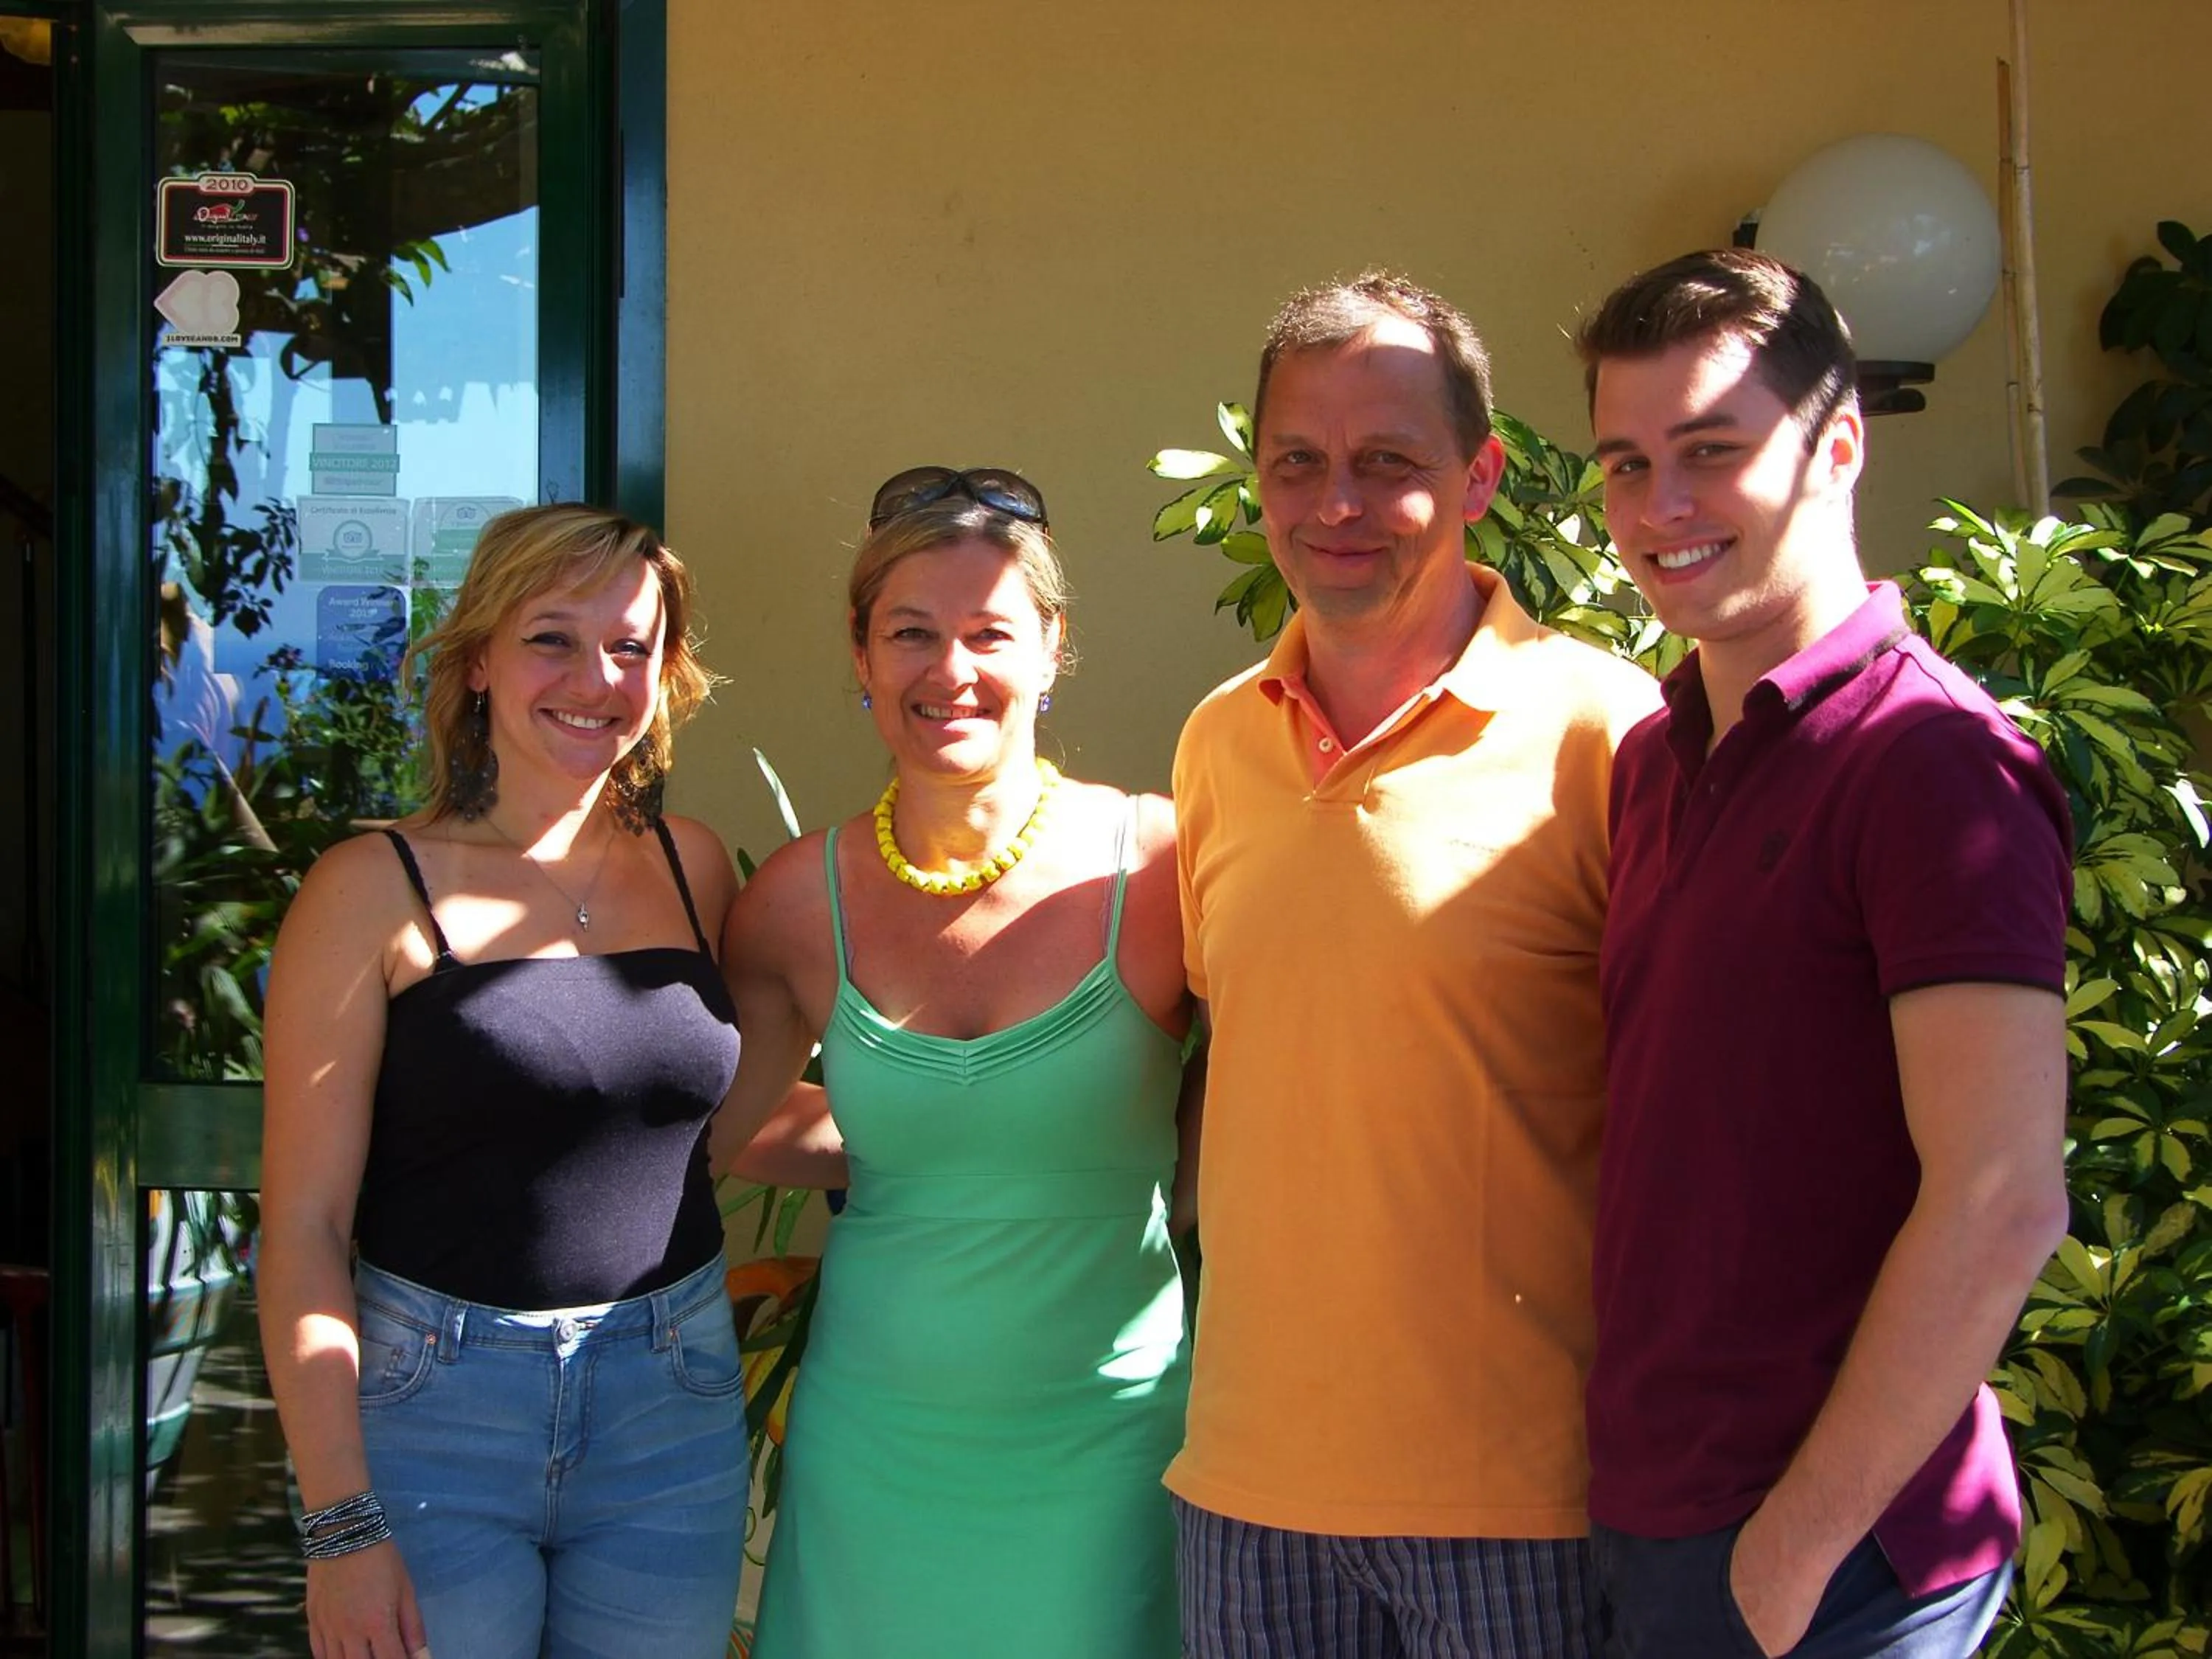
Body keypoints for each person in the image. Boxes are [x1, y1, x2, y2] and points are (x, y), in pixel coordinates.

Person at [1575, 248, 2073, 1658]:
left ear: (1838, 445)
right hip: (1657, 1519)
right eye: (1625, 462)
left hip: (1830, 1560)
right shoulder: (1662, 761)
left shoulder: (1931, 763)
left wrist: (1795, 1551)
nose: (1659, 507)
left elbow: (2001, 1196)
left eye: (1710, 452)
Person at [1169, 274, 1661, 1658]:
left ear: (1481, 474)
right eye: (1298, 463)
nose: (1336, 503)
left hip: (1523, 1495)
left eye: (1389, 463)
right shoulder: (1219, 741)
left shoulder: (1605, 729)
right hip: (1249, 1485)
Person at [719, 466, 1198, 1658]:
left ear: (1051, 647)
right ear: (863, 652)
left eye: (990, 632)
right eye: (912, 634)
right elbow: (706, 1130)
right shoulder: (794, 901)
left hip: (1110, 1435)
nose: (951, 672)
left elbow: (1260, 1108)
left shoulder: (1165, 870)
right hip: (870, 1444)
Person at [258, 504, 749, 1659]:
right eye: (551, 639)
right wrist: (338, 1520)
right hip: (432, 1414)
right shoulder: (370, 888)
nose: (596, 678)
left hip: (669, 1407)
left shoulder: (700, 868)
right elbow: (304, 1226)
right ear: (478, 659)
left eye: (631, 645)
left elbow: (705, 1128)